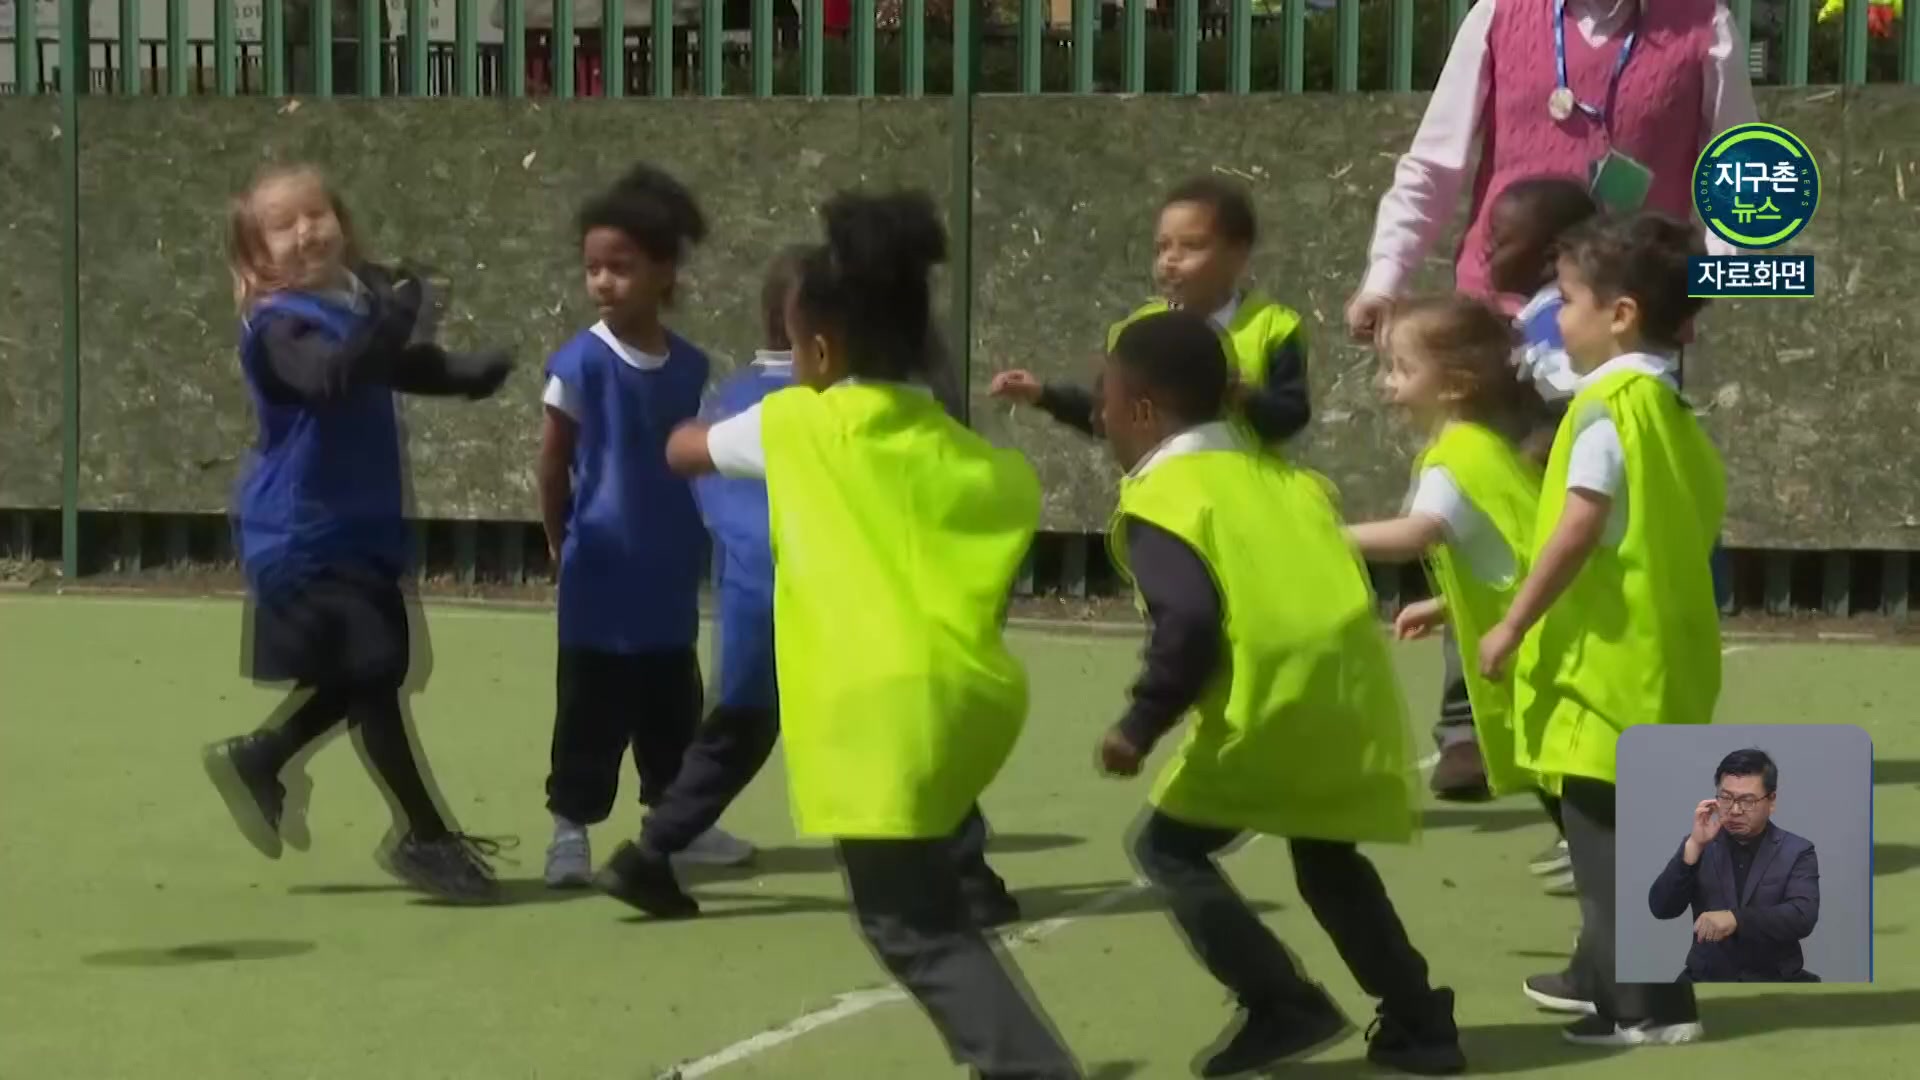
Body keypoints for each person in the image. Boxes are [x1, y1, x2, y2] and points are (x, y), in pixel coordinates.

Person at [639, 191, 1080, 1078]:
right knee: (934, 903)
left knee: (904, 928)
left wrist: (723, 421)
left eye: (795, 345)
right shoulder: (986, 463)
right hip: (972, 706)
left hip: (875, 717)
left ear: (820, 352)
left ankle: (1032, 1070)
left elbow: (684, 449)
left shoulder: (799, 423)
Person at [1347, 0, 1756, 801]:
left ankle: (1598, 743)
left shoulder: (1703, 24)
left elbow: (1741, 176)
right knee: (1476, 501)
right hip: (1498, 322)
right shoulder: (1500, 15)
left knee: (1603, 525)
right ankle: (1467, 715)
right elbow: (1434, 165)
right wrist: (1383, 279)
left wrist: (1694, 292)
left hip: (1620, 331)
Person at [593, 245, 1023, 928]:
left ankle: (647, 854)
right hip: (838, 612)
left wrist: (686, 432)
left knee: (737, 735)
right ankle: (968, 877)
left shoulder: (739, 399)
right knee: (912, 734)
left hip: (755, 606)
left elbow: (685, 453)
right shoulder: (846, 415)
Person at [1094, 310, 1464, 1077]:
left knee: (1164, 849)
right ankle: (1421, 1019)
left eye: (1104, 398)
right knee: (1328, 861)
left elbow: (1189, 622)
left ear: (1139, 411)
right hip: (1352, 698)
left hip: (1267, 707)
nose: (1097, 414)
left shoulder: (1166, 498)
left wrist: (1140, 720)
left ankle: (1279, 1001)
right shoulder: (1295, 482)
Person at [202, 163, 515, 903]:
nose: (307, 230)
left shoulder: (346, 312)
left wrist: (467, 374)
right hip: (301, 533)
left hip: (357, 529)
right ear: (257, 259)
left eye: (317, 214)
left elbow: (388, 367)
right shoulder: (278, 329)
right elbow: (332, 378)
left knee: (369, 674)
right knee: (373, 673)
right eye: (285, 225)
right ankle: (425, 837)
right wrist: (393, 316)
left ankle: (264, 756)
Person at [1480, 211, 1724, 1046]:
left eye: (1571, 301)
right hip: (1666, 659)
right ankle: (1612, 980)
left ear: (1620, 315)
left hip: (1602, 671)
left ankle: (1643, 1009)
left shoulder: (1602, 412)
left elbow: (1579, 530)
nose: (1559, 317)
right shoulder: (1670, 412)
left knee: (1604, 846)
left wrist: (1510, 623)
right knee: (1648, 836)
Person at [535, 163, 752, 888]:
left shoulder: (691, 366)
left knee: (672, 706)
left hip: (666, 573)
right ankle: (569, 832)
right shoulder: (579, 364)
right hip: (598, 573)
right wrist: (557, 536)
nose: (602, 282)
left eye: (620, 268)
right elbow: (552, 459)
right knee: (590, 711)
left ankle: (678, 824)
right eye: (593, 268)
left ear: (663, 272)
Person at [1344, 295, 1543, 814]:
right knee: (1558, 780)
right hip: (1551, 636)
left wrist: (1327, 536)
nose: (1389, 383)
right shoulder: (1489, 447)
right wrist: (1443, 607)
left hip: (1534, 651)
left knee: (1566, 784)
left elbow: (1419, 533)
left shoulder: (1453, 458)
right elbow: (1512, 554)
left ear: (1453, 385)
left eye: (1403, 369)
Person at [989, 175, 1310, 446]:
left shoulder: (1273, 327)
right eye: (1161, 248)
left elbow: (1292, 416)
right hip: (1165, 503)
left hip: (1241, 503)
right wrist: (1043, 395)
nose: (1170, 260)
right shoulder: (1138, 334)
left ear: (1238, 254)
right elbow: (1106, 417)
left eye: (1192, 245)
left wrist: (1241, 396)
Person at [1648, 749, 1821, 982]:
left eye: (1747, 801)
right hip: (1706, 976)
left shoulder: (1797, 850)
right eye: (1726, 798)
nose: (1735, 810)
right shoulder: (1701, 844)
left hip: (1774, 977)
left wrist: (1736, 919)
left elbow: (1802, 916)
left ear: (1771, 801)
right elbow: (1662, 908)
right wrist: (1693, 847)